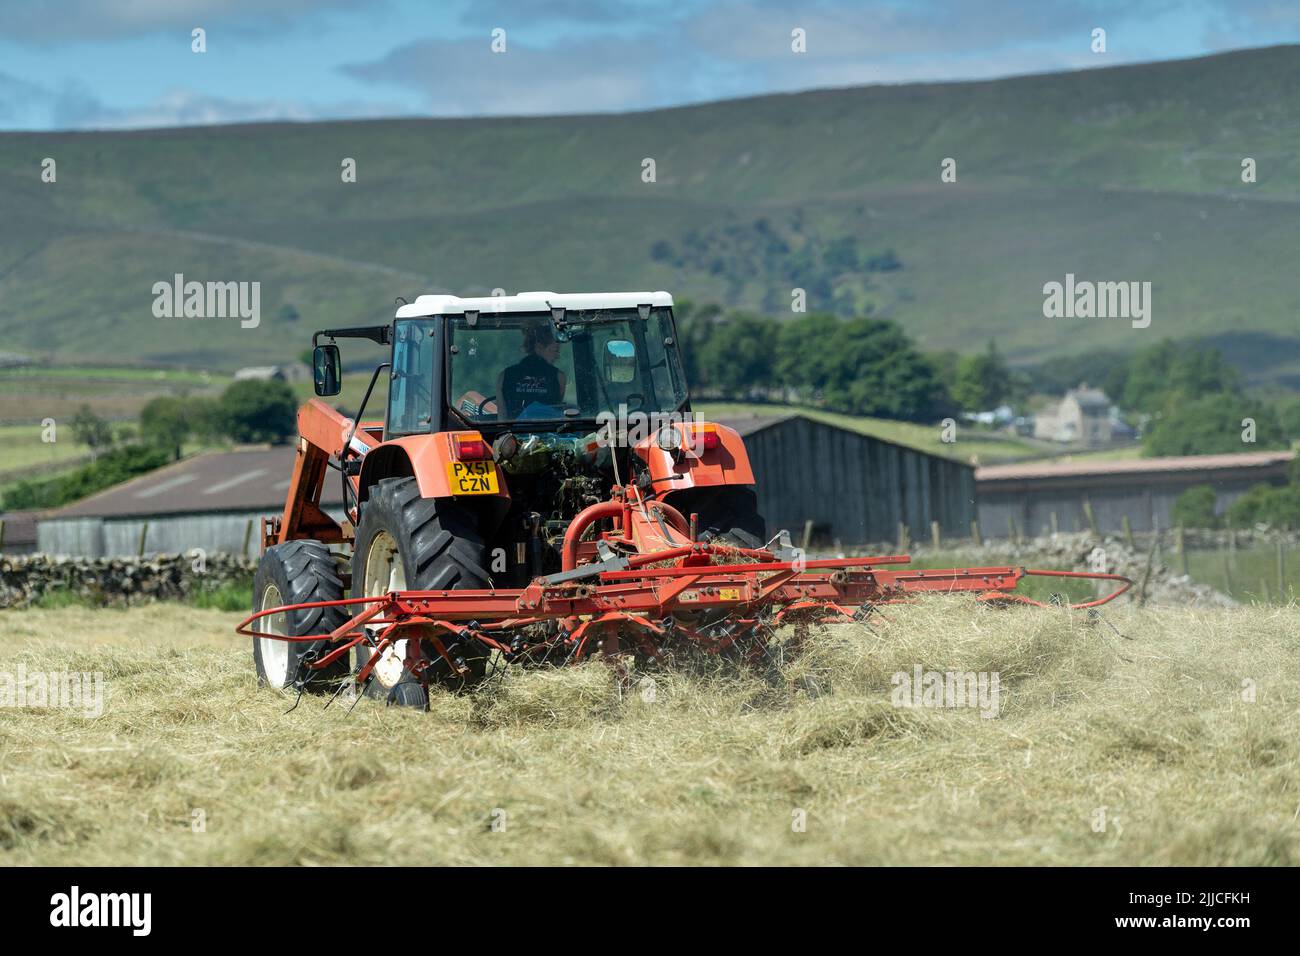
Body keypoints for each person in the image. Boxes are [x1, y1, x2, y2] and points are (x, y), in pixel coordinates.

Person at [498, 323, 566, 419]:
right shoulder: (559, 377)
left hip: (513, 433)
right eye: (555, 350)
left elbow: (502, 419)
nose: (557, 356)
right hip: (548, 432)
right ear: (539, 347)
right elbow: (556, 413)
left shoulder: (504, 375)